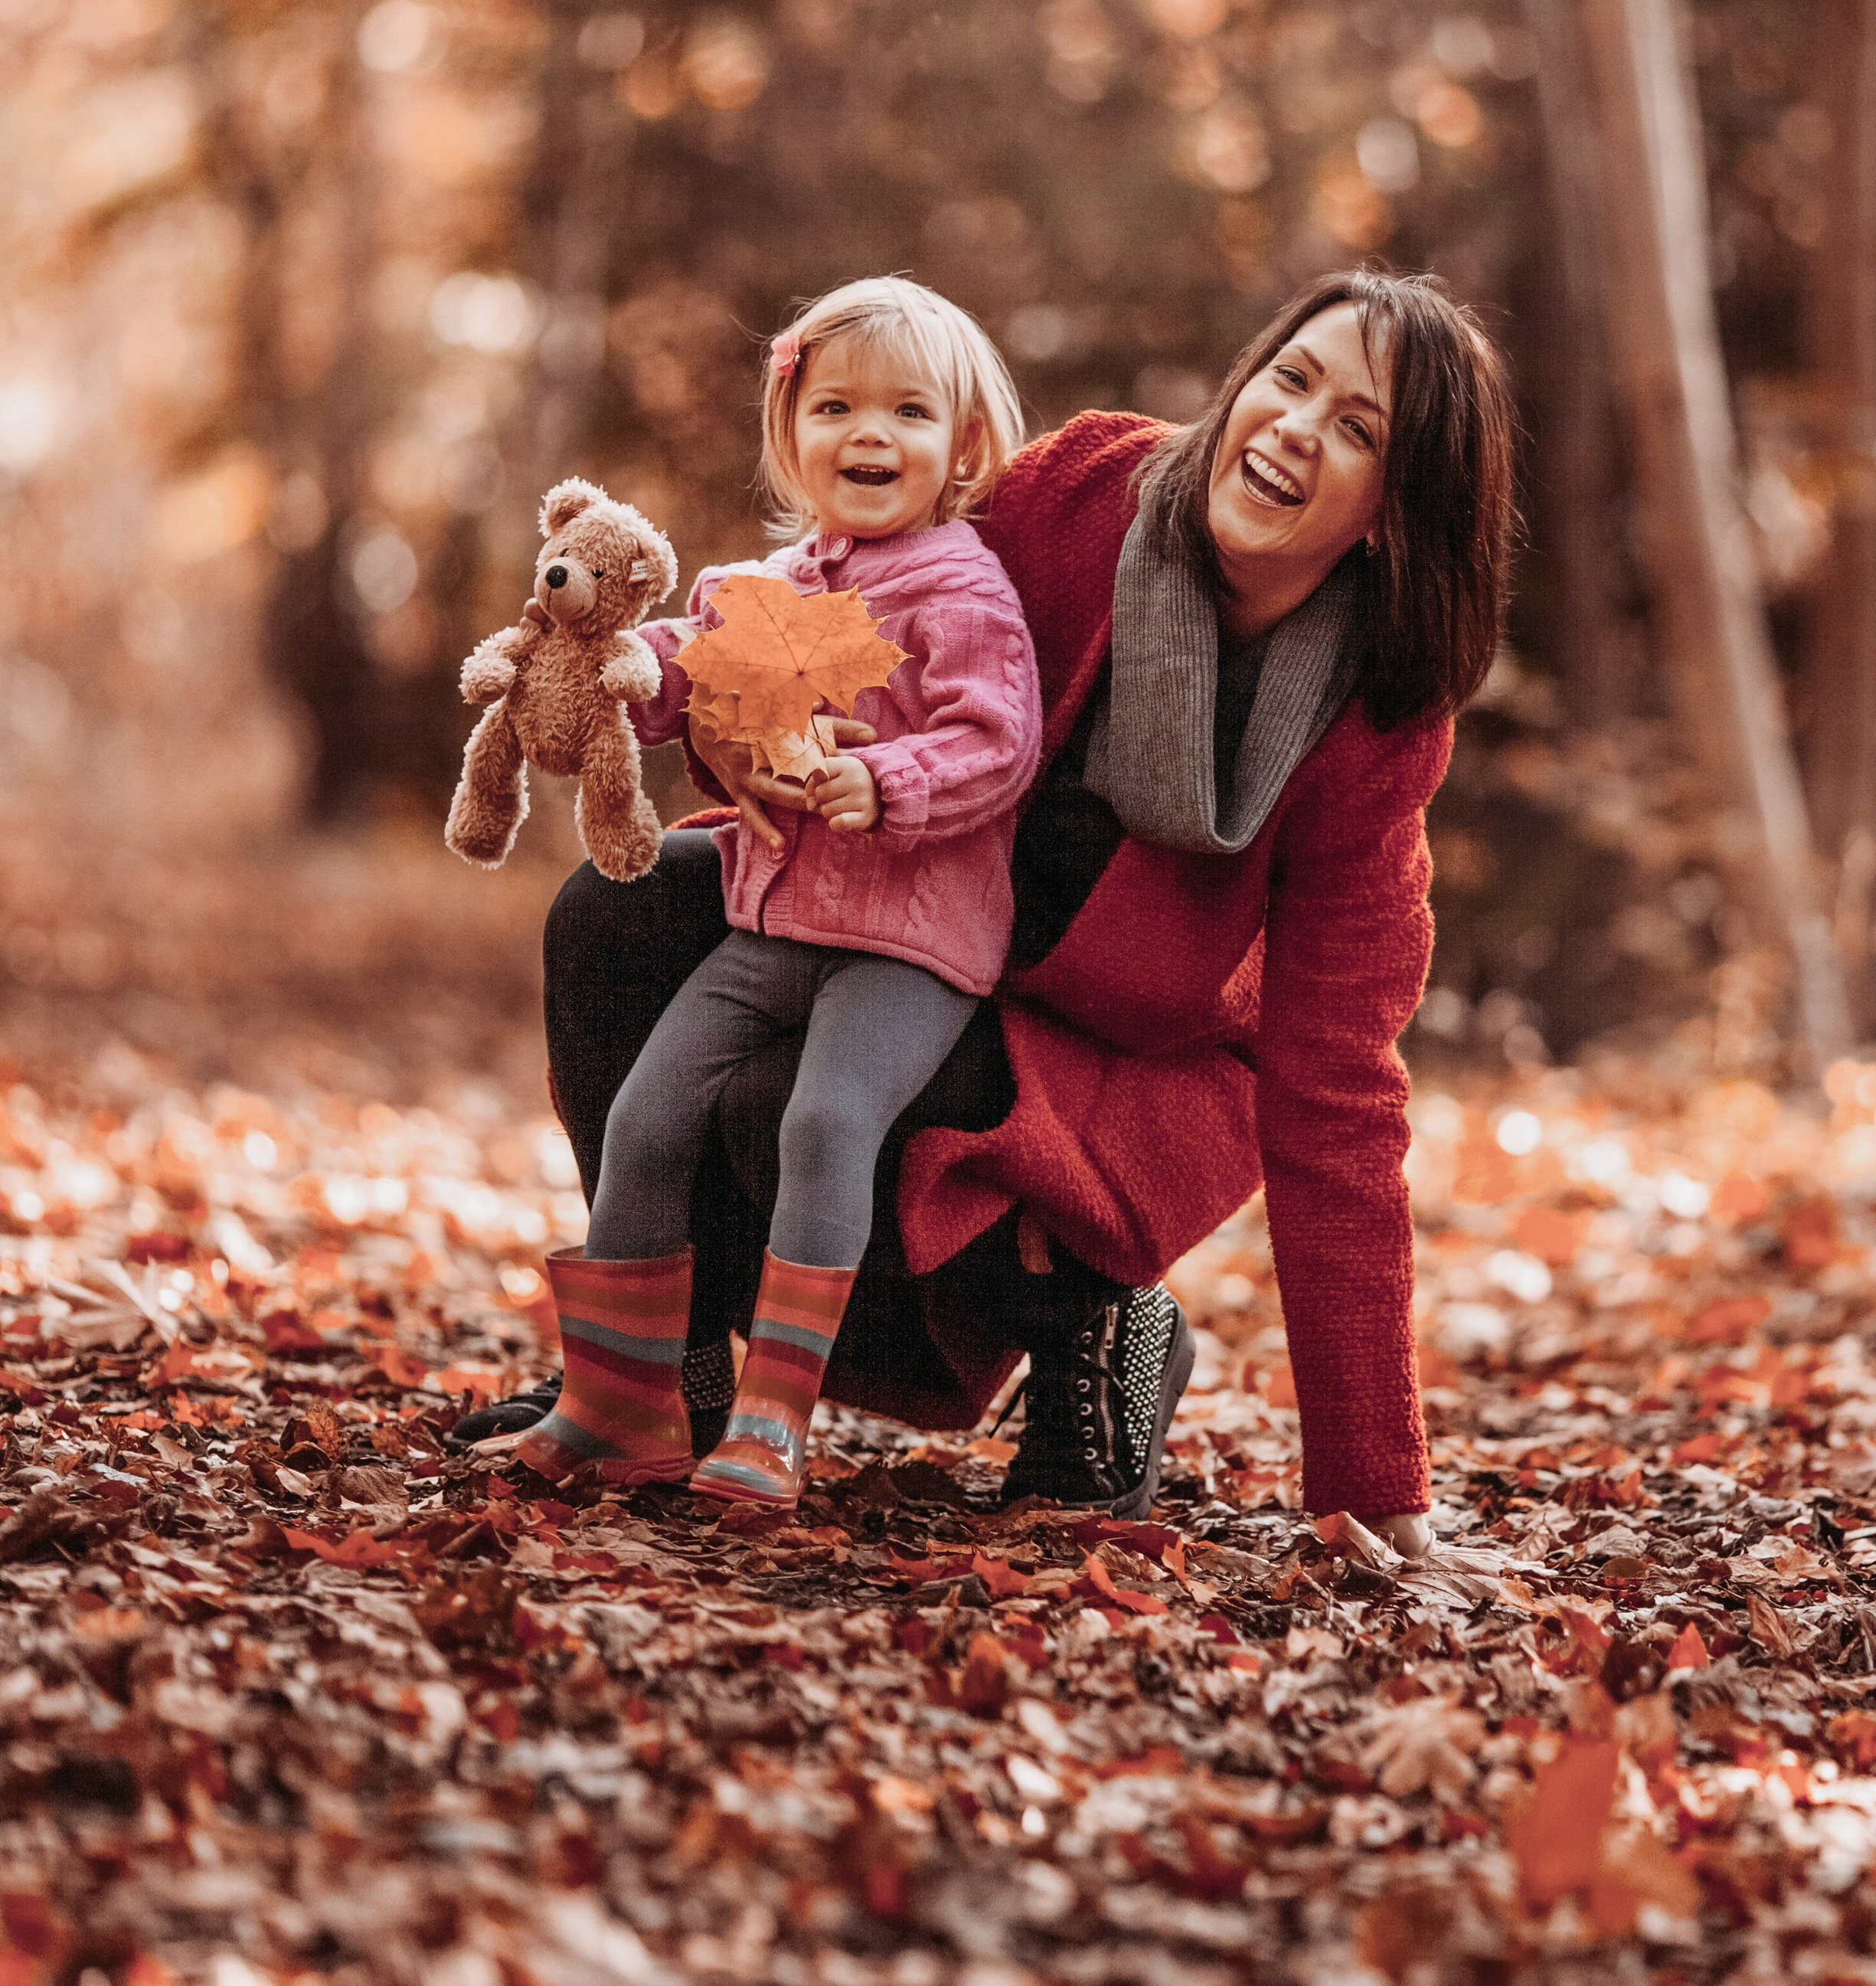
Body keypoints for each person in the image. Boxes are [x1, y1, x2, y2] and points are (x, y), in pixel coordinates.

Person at [466, 269, 1517, 1553]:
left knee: (780, 1106)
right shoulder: (1086, 490)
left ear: (1394, 514)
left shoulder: (1372, 722)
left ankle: (1100, 1315)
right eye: (1291, 379)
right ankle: (651, 1381)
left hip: (1112, 1065)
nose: (1298, 426)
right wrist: (737, 732)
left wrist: (1374, 1477)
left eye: (1358, 428)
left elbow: (1342, 1083)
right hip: (893, 908)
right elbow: (851, 610)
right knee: (615, 918)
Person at [510, 278, 1042, 1510]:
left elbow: (996, 743)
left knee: (824, 1120)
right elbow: (683, 691)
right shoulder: (759, 587)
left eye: (909, 411)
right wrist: (615, 671)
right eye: (838, 405)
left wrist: (888, 778)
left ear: (962, 446)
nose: (870, 434)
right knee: (647, 1113)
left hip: (913, 943)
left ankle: (774, 1418)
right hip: (779, 917)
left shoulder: (964, 595)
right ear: (790, 431)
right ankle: (618, 1400)